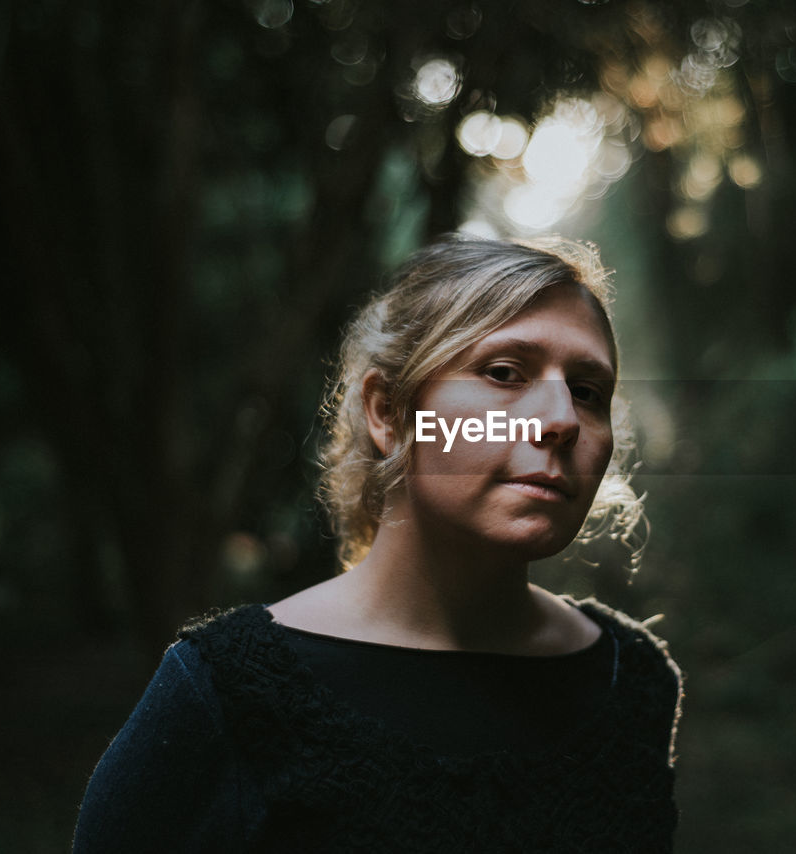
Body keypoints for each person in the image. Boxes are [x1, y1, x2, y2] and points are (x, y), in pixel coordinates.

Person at [72, 235, 683, 853]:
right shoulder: (225, 694)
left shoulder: (632, 683)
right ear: (388, 413)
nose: (562, 419)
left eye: (587, 391)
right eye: (504, 373)